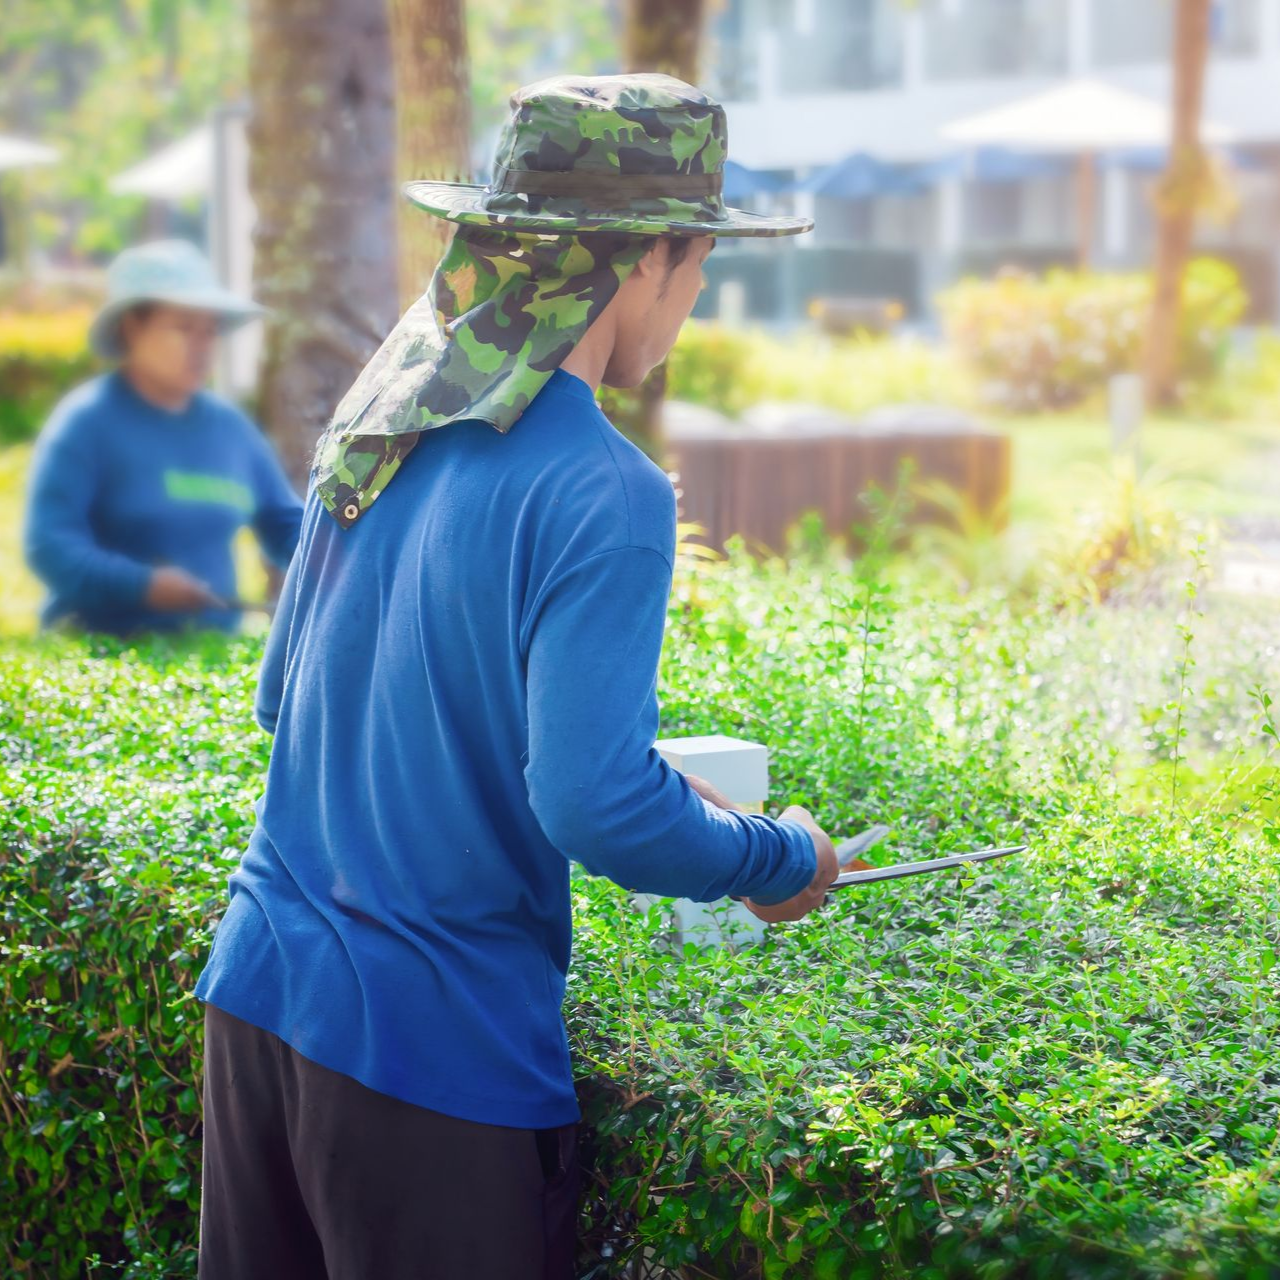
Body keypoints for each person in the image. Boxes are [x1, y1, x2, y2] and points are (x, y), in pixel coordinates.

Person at [193, 73, 838, 1280]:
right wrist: (776, 856)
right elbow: (592, 802)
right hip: (430, 1064)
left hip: (259, 1000)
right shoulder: (606, 488)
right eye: (699, 264)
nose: (694, 299)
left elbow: (283, 699)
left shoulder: (378, 424)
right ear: (646, 259)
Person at [23, 238, 302, 636]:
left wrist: (346, 554)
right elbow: (48, 546)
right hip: (102, 650)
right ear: (131, 328)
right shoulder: (86, 423)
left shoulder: (231, 427)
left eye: (210, 331)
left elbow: (285, 523)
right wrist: (141, 586)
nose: (202, 346)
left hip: (210, 648)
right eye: (184, 328)